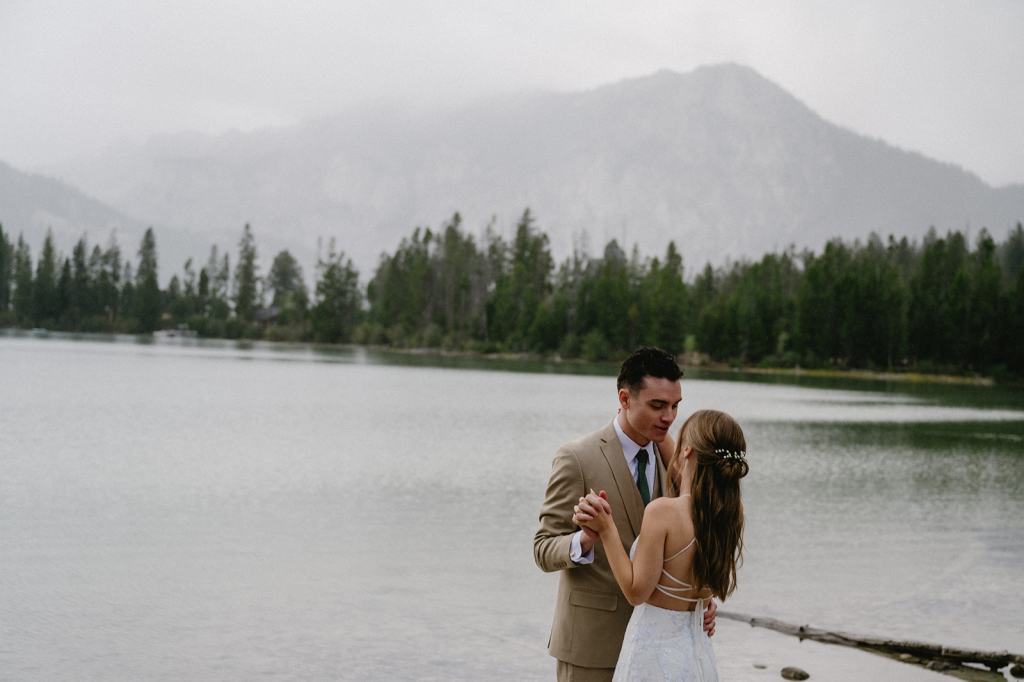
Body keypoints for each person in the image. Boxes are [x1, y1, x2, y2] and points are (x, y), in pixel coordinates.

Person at [533, 347, 716, 682]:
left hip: (655, 653)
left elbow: (683, 545)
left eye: (675, 406)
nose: (669, 417)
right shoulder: (577, 458)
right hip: (593, 647)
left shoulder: (676, 462)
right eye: (657, 405)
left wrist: (697, 600)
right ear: (625, 398)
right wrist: (583, 541)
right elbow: (543, 549)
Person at [575, 409, 748, 681]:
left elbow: (636, 592)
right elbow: (702, 588)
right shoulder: (728, 516)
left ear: (687, 450)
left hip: (652, 657)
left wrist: (606, 528)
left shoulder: (664, 512)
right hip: (695, 655)